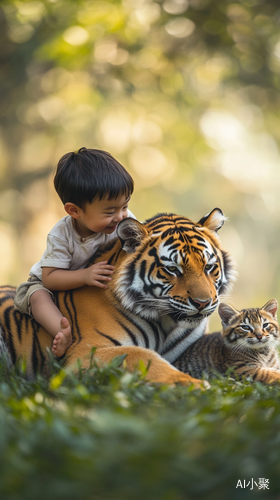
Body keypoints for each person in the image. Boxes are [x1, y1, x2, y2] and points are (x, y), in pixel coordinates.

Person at [14, 147, 135, 357]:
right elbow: (50, 278)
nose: (120, 217)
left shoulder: (123, 221)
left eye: (124, 206)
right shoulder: (61, 235)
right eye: (110, 211)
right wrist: (85, 276)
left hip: (89, 286)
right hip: (49, 282)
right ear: (74, 211)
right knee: (38, 298)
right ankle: (61, 331)